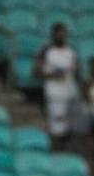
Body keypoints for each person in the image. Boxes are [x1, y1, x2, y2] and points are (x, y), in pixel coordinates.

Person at [34, 22, 79, 150]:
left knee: (69, 128)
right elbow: (36, 71)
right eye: (59, 33)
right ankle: (55, 152)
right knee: (56, 127)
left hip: (70, 93)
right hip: (54, 94)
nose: (62, 35)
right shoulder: (46, 51)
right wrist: (54, 74)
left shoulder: (71, 51)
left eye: (64, 33)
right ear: (53, 34)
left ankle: (65, 152)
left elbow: (76, 70)